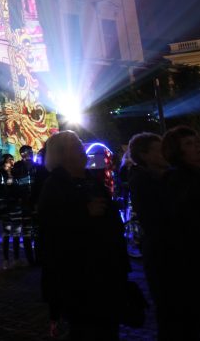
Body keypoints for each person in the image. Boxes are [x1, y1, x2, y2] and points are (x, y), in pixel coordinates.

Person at [38, 131, 129, 340]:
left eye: (79, 143)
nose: (81, 147)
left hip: (106, 269)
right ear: (61, 154)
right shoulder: (54, 185)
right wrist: (83, 213)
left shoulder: (92, 181)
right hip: (79, 274)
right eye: (75, 144)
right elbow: (50, 229)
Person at [159, 126, 200, 340]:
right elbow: (194, 203)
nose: (199, 146)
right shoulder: (175, 179)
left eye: (198, 141)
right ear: (177, 153)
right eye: (189, 144)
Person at [123, 132, 167, 336]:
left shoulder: (157, 176)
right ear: (144, 155)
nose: (165, 154)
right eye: (159, 150)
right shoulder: (144, 180)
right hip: (162, 251)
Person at [0, 154, 24, 269]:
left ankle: (16, 259)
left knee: (16, 234)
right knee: (6, 234)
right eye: (10, 160)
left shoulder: (16, 174)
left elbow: (19, 189)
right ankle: (6, 260)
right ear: (4, 162)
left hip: (16, 207)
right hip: (5, 208)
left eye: (12, 160)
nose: (12, 162)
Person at [12, 145, 39, 264]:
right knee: (27, 232)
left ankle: (39, 258)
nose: (31, 154)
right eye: (29, 152)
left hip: (35, 202)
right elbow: (14, 185)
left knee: (37, 232)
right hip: (24, 203)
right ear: (23, 154)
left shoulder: (37, 166)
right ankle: (30, 259)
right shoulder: (17, 167)